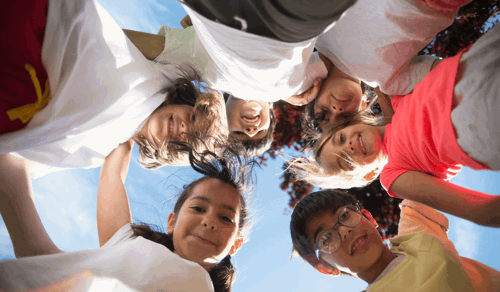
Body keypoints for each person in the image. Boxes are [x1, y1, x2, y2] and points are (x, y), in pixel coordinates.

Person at [292, 23, 500, 227]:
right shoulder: (394, 175)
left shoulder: (394, 96)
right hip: (475, 125)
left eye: (341, 139)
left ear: (351, 123)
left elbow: (363, 62)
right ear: (369, 174)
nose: (349, 147)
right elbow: (475, 209)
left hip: (477, 61)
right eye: (346, 161)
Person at [0, 0, 227, 176]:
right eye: (194, 117)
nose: (184, 128)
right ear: (184, 103)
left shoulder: (105, 155)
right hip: (40, 35)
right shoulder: (163, 76)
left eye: (187, 141)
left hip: (16, 111)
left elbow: (30, 163)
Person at [0, 141, 254, 292]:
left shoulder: (198, 285)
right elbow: (113, 173)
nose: (209, 221)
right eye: (198, 208)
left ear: (236, 243)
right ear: (172, 221)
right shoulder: (131, 244)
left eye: (225, 218)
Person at [303, 0, 473, 132]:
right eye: (345, 118)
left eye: (324, 112)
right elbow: (450, 74)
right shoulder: (390, 83)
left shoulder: (316, 35)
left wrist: (289, 91)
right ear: (363, 106)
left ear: (312, 91)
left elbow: (280, 70)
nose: (337, 109)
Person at [290, 189, 500, 291]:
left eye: (344, 216)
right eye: (326, 237)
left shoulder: (415, 232)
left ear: (369, 217)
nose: (344, 230)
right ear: (325, 267)